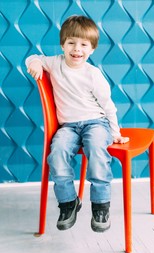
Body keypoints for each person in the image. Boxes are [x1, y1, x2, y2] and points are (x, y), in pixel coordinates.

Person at [25, 15, 129, 233]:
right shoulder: (55, 63)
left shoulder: (93, 74)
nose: (76, 49)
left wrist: (115, 132)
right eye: (71, 42)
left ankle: (101, 205)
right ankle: (68, 202)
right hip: (69, 127)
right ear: (62, 44)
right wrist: (34, 63)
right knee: (57, 153)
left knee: (97, 151)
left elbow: (108, 107)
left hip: (95, 123)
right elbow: (34, 57)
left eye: (83, 44)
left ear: (92, 50)